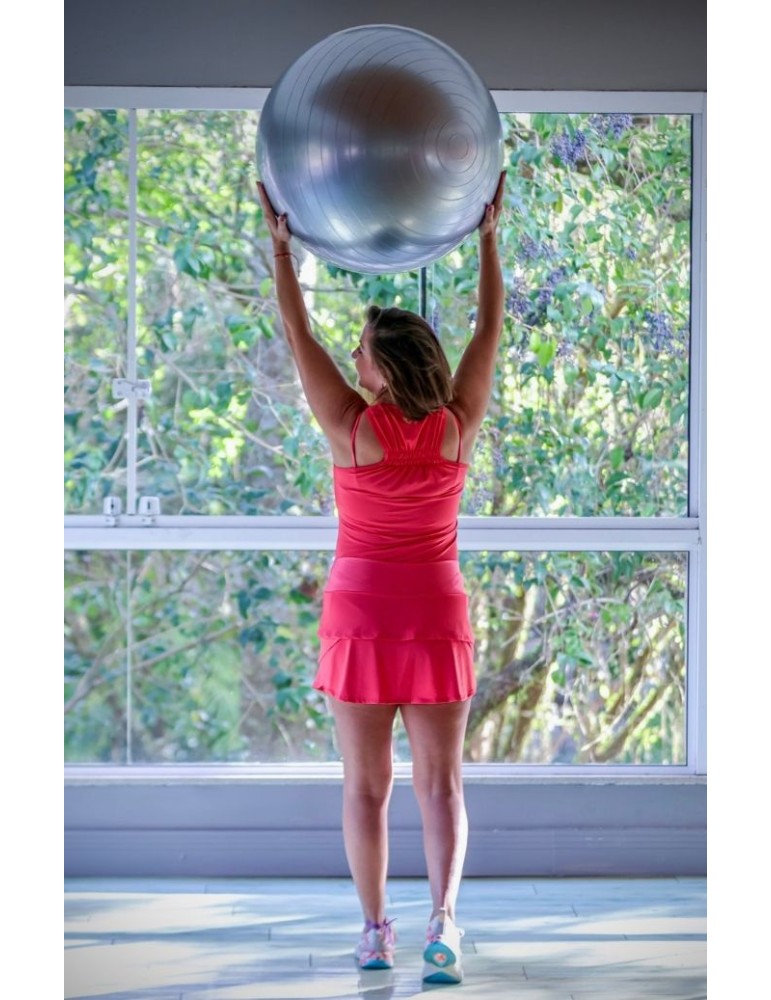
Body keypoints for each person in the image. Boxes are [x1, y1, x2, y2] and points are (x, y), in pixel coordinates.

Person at [257, 173, 505, 985]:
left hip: (361, 618)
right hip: (434, 615)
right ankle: (443, 923)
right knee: (441, 787)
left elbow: (296, 333)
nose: (352, 356)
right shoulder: (456, 427)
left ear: (382, 368)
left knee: (365, 789)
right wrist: (488, 240)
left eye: (361, 349)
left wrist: (282, 250)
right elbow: (488, 332)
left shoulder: (349, 427)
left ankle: (373, 934)